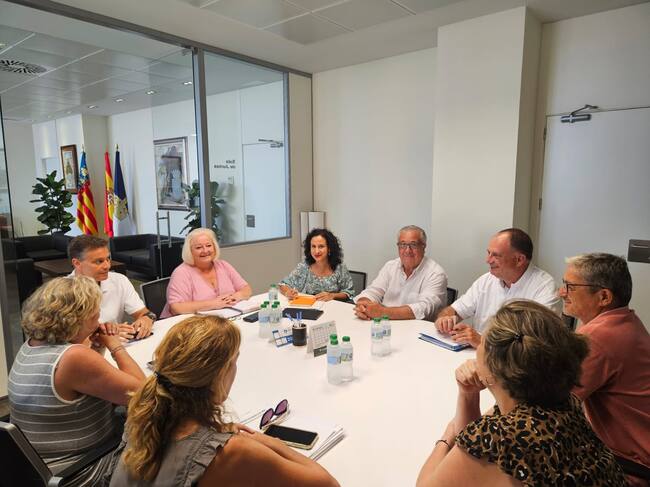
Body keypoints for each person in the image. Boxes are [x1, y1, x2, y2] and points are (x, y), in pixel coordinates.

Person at [110, 315, 340, 487]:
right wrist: (269, 442)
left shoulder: (142, 415)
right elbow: (327, 483)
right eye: (234, 361)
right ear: (220, 374)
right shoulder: (232, 451)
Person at [417, 300, 626, 487]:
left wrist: (446, 438)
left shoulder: (502, 437)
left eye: (483, 344)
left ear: (495, 368)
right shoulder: (563, 402)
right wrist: (468, 394)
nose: (477, 349)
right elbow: (471, 445)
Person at [8, 276, 145, 487]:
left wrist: (96, 345)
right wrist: (113, 344)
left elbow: (85, 385)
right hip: (79, 470)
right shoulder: (73, 357)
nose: (99, 319)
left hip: (33, 467)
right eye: (96, 313)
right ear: (78, 317)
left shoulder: (31, 345)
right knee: (169, 438)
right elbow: (142, 392)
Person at [560, 253, 650, 486]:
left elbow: (548, 402)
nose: (561, 293)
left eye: (570, 287)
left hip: (631, 468)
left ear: (604, 297)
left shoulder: (598, 337)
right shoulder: (626, 321)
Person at [435, 228, 559, 348]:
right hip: (476, 354)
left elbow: (534, 344)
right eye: (488, 253)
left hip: (511, 361)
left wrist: (482, 341)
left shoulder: (544, 288)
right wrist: (445, 319)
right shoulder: (487, 280)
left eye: (496, 255)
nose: (488, 260)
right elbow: (455, 310)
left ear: (519, 260)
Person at [68, 235, 154, 340]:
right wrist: (103, 334)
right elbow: (64, 337)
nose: (107, 266)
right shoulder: (62, 292)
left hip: (119, 343)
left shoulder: (119, 280)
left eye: (108, 259)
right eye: (99, 261)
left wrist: (146, 319)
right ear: (77, 263)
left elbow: (143, 312)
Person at [354, 225, 447, 321]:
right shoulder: (390, 266)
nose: (407, 250)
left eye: (413, 245)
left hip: (416, 327)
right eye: (403, 244)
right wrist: (363, 306)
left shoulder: (436, 273)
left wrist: (382, 312)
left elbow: (424, 308)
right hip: (385, 323)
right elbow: (373, 291)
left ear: (423, 246)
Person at [161, 227, 252, 317]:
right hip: (190, 323)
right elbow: (176, 308)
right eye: (198, 247)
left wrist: (236, 296)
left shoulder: (223, 265)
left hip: (224, 318)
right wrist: (213, 304)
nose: (205, 251)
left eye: (208, 245)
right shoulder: (181, 273)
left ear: (214, 247)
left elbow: (246, 289)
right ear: (190, 251)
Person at [279, 228, 354, 302]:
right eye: (313, 246)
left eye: (321, 246)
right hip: (308, 307)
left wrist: (332, 295)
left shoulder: (340, 267)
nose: (316, 251)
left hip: (332, 307)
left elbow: (348, 293)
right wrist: (288, 292)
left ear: (329, 248)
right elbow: (283, 284)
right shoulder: (304, 266)